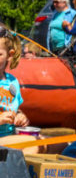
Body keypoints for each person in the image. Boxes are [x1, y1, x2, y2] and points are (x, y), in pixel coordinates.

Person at [0, 23, 41, 154]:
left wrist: (20, 116)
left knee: (57, 143)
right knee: (34, 144)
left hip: (9, 138)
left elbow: (15, 109)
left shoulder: (12, 82)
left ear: (9, 55)